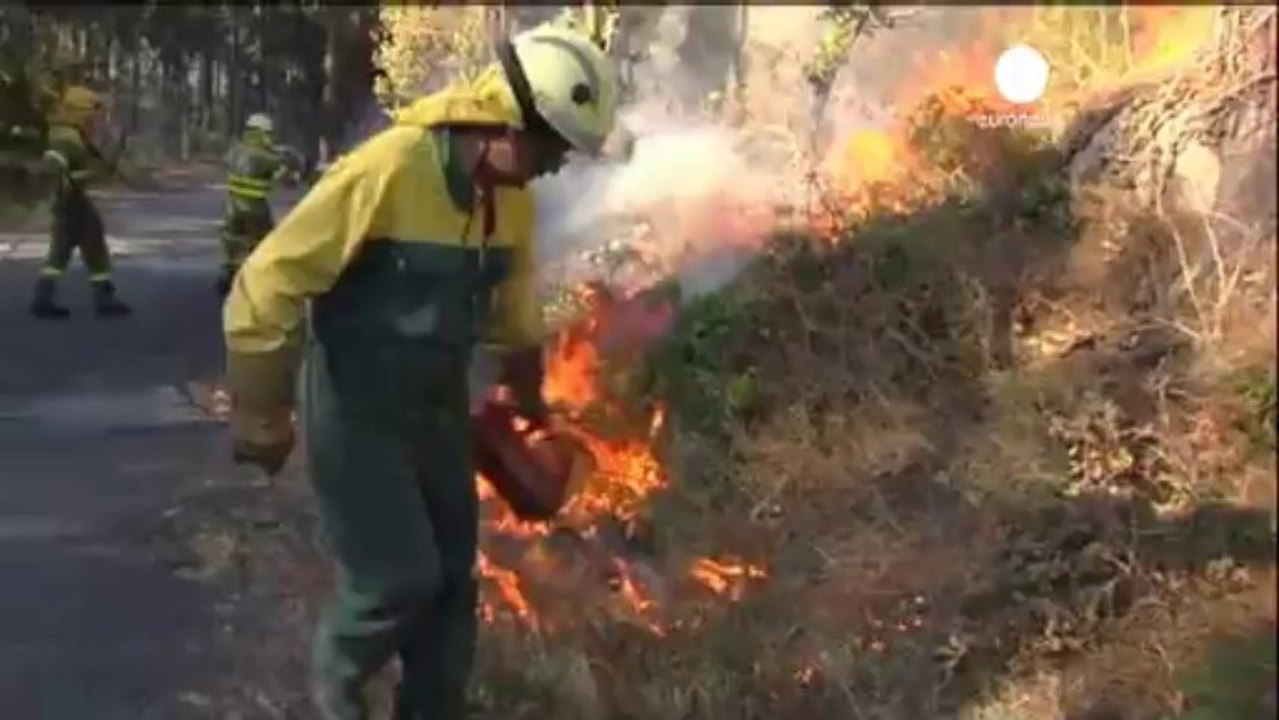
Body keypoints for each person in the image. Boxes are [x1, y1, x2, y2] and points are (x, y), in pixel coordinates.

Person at [222, 24, 618, 719]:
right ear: (504, 120)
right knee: (396, 579)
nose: (553, 167)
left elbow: (515, 318)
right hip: (356, 408)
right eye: (550, 148)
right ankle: (334, 696)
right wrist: (262, 414)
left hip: (437, 411)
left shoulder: (510, 200)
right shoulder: (390, 168)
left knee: (451, 588)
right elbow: (266, 283)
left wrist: (530, 411)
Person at [29, 85, 132, 319]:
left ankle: (94, 296)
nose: (96, 120)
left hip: (73, 200)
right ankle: (49, 298)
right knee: (74, 249)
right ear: (79, 113)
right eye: (93, 115)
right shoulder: (66, 139)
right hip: (69, 202)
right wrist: (79, 178)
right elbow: (54, 168)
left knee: (79, 246)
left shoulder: (74, 134)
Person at [217, 113, 286, 296]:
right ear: (262, 133)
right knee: (267, 242)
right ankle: (263, 281)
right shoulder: (266, 157)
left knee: (230, 238)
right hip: (256, 209)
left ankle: (230, 271)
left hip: (232, 207)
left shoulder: (235, 150)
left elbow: (226, 162)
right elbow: (282, 170)